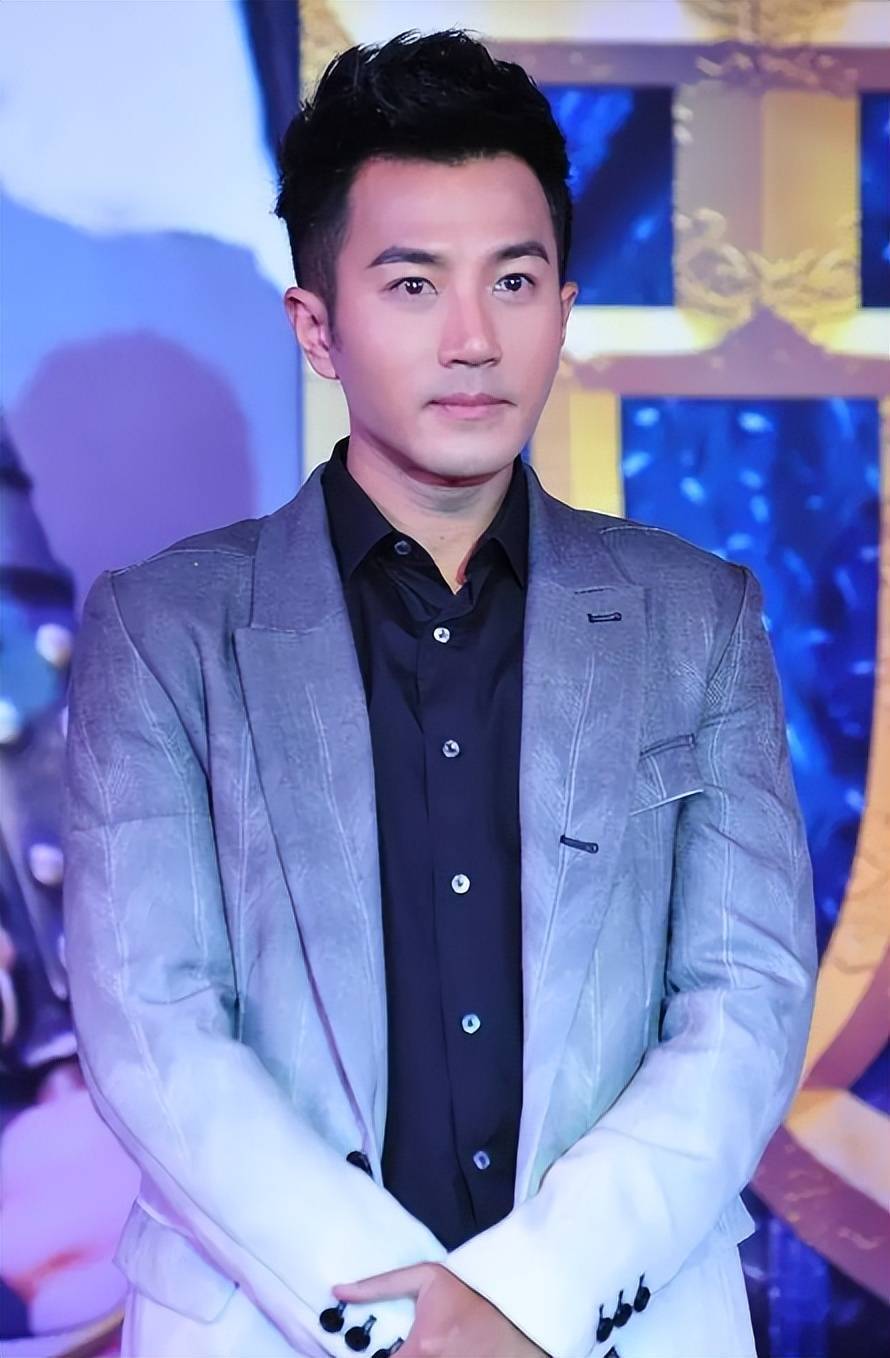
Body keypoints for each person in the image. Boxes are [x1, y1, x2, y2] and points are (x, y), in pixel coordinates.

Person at [62, 28, 818, 1358]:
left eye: (512, 281)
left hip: (615, 1321)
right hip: (273, 1324)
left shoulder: (697, 615)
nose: (472, 339)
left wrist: (527, 1297)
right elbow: (152, 1027)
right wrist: (407, 1317)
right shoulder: (165, 628)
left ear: (563, 309)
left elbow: (744, 1000)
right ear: (317, 326)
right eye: (412, 284)